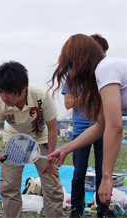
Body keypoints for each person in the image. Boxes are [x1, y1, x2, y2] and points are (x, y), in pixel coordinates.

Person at [47, 34, 127, 208]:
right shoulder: (102, 74)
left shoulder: (105, 69)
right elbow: (100, 126)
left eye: (72, 64)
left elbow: (115, 128)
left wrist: (106, 178)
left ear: (81, 60)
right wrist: (64, 149)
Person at [0, 61, 64, 218]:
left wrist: (51, 158)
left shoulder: (41, 96)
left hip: (42, 140)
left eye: (8, 92)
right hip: (14, 142)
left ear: (23, 89)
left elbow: (53, 130)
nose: (4, 97)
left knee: (52, 187)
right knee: (8, 187)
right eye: (0, 91)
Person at [61, 34, 114, 218]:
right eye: (100, 53)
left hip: (102, 128)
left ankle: (103, 208)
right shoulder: (72, 77)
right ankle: (76, 207)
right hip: (81, 130)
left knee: (102, 171)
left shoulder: (105, 74)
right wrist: (88, 93)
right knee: (78, 172)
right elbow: (68, 103)